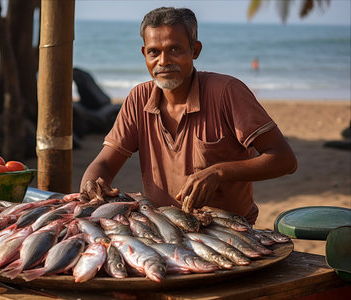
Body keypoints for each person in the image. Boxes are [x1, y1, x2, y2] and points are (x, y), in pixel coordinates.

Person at [79, 7, 297, 225]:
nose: (163, 61)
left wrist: (219, 172)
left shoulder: (226, 92)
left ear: (195, 50)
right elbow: (106, 164)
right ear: (145, 53)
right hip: (163, 228)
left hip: (228, 230)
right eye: (154, 52)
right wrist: (91, 187)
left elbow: (284, 159)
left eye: (175, 49)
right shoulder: (139, 98)